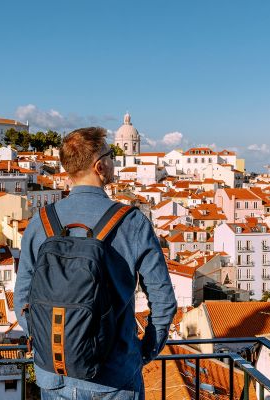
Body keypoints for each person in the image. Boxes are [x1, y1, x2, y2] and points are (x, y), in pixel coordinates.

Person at [15, 127, 177, 400]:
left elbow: (22, 300)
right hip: (115, 378)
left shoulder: (40, 222)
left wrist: (55, 345)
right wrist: (142, 352)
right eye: (111, 155)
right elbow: (163, 302)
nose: (114, 160)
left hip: (54, 376)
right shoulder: (132, 223)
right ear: (100, 166)